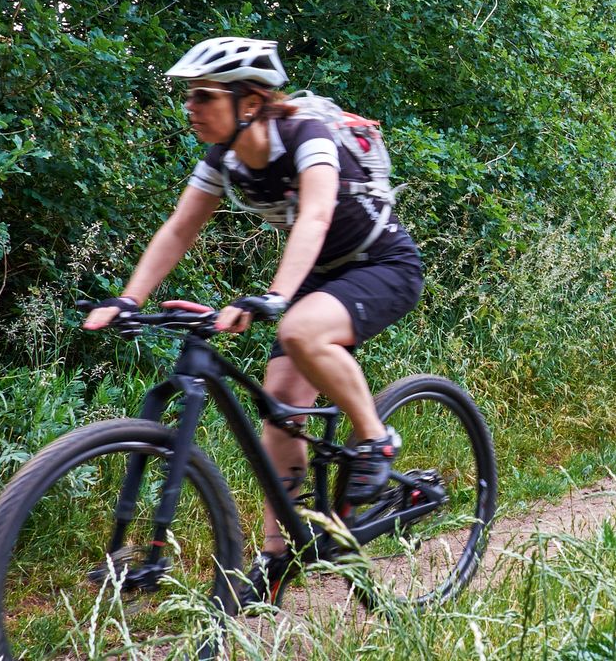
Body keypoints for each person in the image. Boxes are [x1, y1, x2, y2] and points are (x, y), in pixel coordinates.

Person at [80, 36, 424, 598]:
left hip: (381, 263)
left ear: (251, 102)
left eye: (203, 96)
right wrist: (128, 299)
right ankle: (277, 558)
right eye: (188, 96)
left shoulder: (305, 138)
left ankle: (377, 438)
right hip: (318, 272)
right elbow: (179, 228)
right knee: (281, 406)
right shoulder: (226, 157)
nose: (190, 107)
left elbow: (314, 216)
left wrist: (273, 295)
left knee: (298, 329)